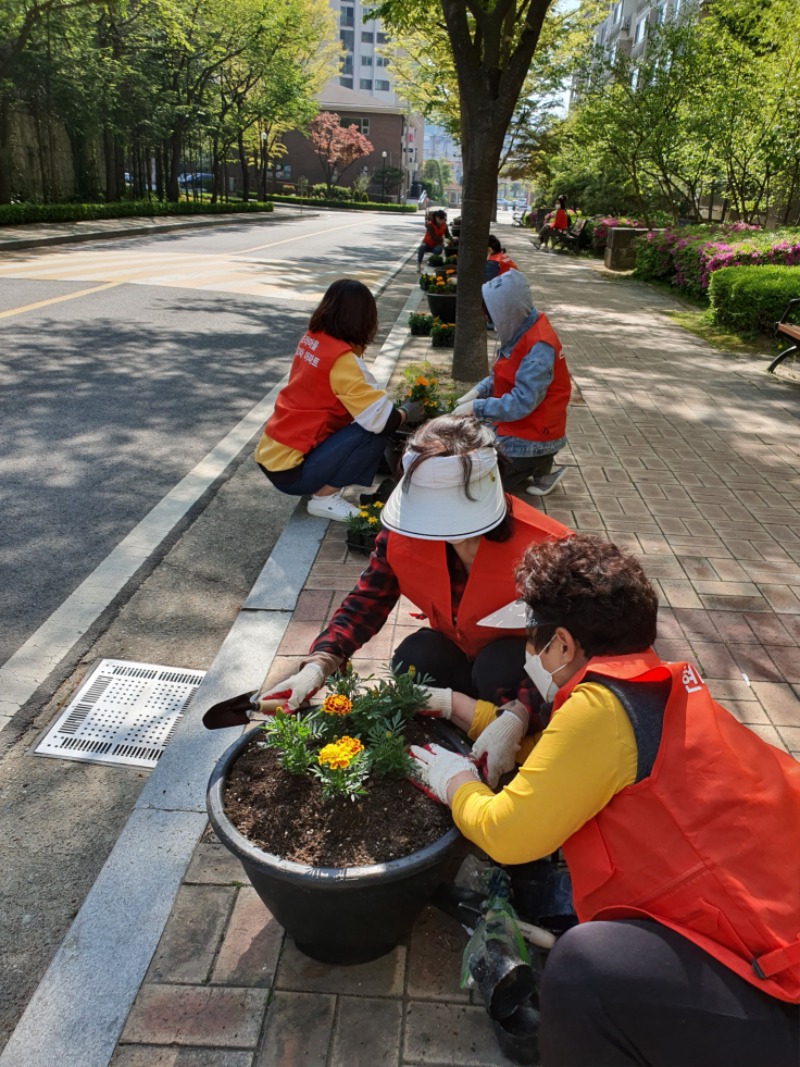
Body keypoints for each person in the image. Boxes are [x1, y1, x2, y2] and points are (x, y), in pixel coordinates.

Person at [410, 533, 800, 1067]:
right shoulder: (648, 682)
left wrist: (453, 779)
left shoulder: (599, 711)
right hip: (773, 921)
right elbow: (565, 761)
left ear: (563, 645)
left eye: (532, 639)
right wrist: (462, 707)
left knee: (584, 967)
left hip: (776, 986)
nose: (528, 651)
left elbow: (508, 833)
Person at [254, 415, 570, 718]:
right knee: (416, 658)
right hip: (460, 648)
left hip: (527, 668)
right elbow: (368, 599)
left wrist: (520, 714)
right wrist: (321, 662)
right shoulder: (404, 533)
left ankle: (511, 725)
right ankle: (469, 718)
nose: (443, 531)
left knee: (497, 666)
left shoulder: (549, 548)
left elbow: (572, 645)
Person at [254, 279, 423, 522]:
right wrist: (407, 411)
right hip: (291, 473)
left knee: (362, 419)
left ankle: (324, 481)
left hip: (273, 452)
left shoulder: (313, 339)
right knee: (373, 431)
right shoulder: (341, 360)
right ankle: (324, 499)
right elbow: (382, 420)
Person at [453, 270, 570, 498]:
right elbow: (503, 374)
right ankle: (538, 465)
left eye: (494, 315)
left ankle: (536, 461)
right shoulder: (524, 326)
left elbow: (521, 403)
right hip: (529, 426)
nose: (490, 321)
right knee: (476, 447)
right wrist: (477, 391)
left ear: (508, 311)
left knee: (483, 482)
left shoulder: (538, 349)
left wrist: (476, 407)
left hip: (534, 432)